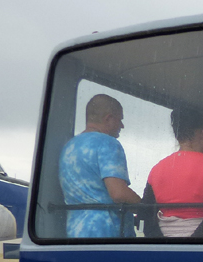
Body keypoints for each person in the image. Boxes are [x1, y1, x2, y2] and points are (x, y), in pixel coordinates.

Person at [59, 94, 141, 238]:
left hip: (75, 232)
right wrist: (147, 207)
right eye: (120, 119)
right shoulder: (108, 143)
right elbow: (118, 193)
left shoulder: (69, 147)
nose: (122, 125)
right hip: (107, 235)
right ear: (108, 119)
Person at [143, 108, 203, 238]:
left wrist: (159, 240)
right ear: (201, 133)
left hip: (164, 236)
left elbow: (147, 211)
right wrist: (195, 239)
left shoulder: (157, 169)